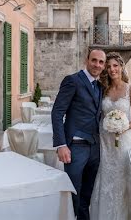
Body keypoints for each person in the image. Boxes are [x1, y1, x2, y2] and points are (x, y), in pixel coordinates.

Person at [51, 49, 106, 220]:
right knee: (73, 194)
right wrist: (61, 145)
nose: (97, 65)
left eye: (101, 62)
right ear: (86, 60)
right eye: (94, 60)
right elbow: (57, 112)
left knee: (86, 197)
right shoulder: (72, 80)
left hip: (95, 149)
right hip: (75, 148)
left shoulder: (100, 86)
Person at [90, 52, 131, 220]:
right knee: (105, 176)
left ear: (121, 67)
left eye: (115, 66)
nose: (112, 69)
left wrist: (124, 127)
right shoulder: (102, 89)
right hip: (104, 141)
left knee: (120, 178)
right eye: (109, 66)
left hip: (122, 140)